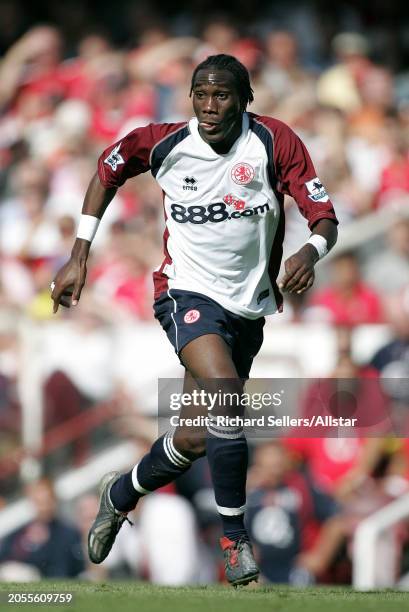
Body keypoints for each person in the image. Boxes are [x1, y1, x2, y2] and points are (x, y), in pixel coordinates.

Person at [51, 54, 338, 586]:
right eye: (200, 95)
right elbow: (106, 170)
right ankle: (236, 542)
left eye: (222, 95)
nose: (209, 107)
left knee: (195, 438)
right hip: (184, 291)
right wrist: (79, 254)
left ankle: (120, 493)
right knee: (228, 398)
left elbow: (324, 215)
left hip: (248, 306)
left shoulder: (274, 142)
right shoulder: (163, 142)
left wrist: (310, 252)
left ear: (245, 99)